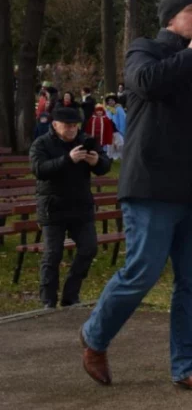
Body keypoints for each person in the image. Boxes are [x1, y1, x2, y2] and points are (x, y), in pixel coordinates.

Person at [81, 0, 192, 394]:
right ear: (171, 20)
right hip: (152, 183)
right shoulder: (145, 50)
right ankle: (95, 337)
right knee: (142, 271)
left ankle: (187, 365)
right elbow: (147, 84)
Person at [30, 106, 112, 309]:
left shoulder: (85, 140)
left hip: (81, 206)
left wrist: (97, 162)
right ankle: (48, 300)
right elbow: (39, 170)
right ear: (55, 125)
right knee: (53, 254)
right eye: (67, 126)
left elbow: (105, 165)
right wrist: (67, 160)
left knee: (88, 249)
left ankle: (70, 295)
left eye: (75, 125)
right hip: (53, 207)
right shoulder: (42, 144)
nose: (72, 130)